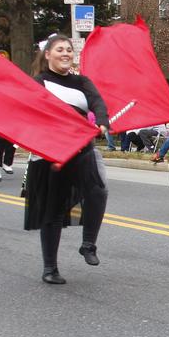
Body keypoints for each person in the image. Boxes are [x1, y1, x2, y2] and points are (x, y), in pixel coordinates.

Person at [23, 35, 109, 284]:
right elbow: (31, 114)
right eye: (59, 49)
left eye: (69, 50)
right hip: (52, 150)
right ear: (47, 54)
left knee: (98, 191)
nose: (65, 53)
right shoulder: (38, 83)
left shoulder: (82, 81)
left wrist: (102, 121)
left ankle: (88, 244)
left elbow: (97, 102)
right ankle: (50, 268)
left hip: (81, 146)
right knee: (54, 209)